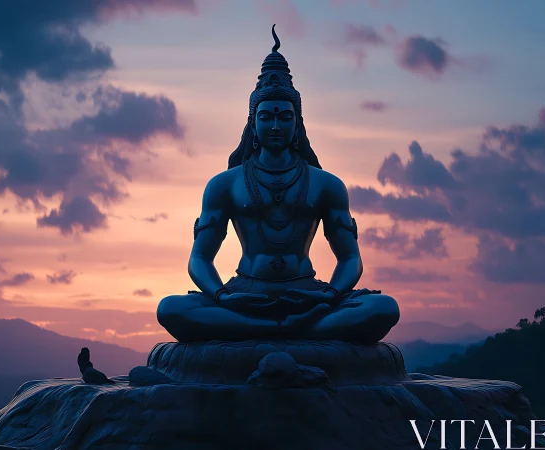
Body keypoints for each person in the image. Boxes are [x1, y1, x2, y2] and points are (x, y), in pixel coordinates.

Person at [157, 26, 399, 343]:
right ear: (252, 123)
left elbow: (350, 258)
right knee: (171, 309)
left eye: (285, 117)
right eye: (266, 117)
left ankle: (260, 329)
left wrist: (329, 295)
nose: (275, 125)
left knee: (383, 308)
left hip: (307, 294)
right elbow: (199, 259)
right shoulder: (224, 184)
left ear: (297, 123)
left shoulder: (326, 184)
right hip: (245, 294)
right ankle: (286, 329)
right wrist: (222, 297)